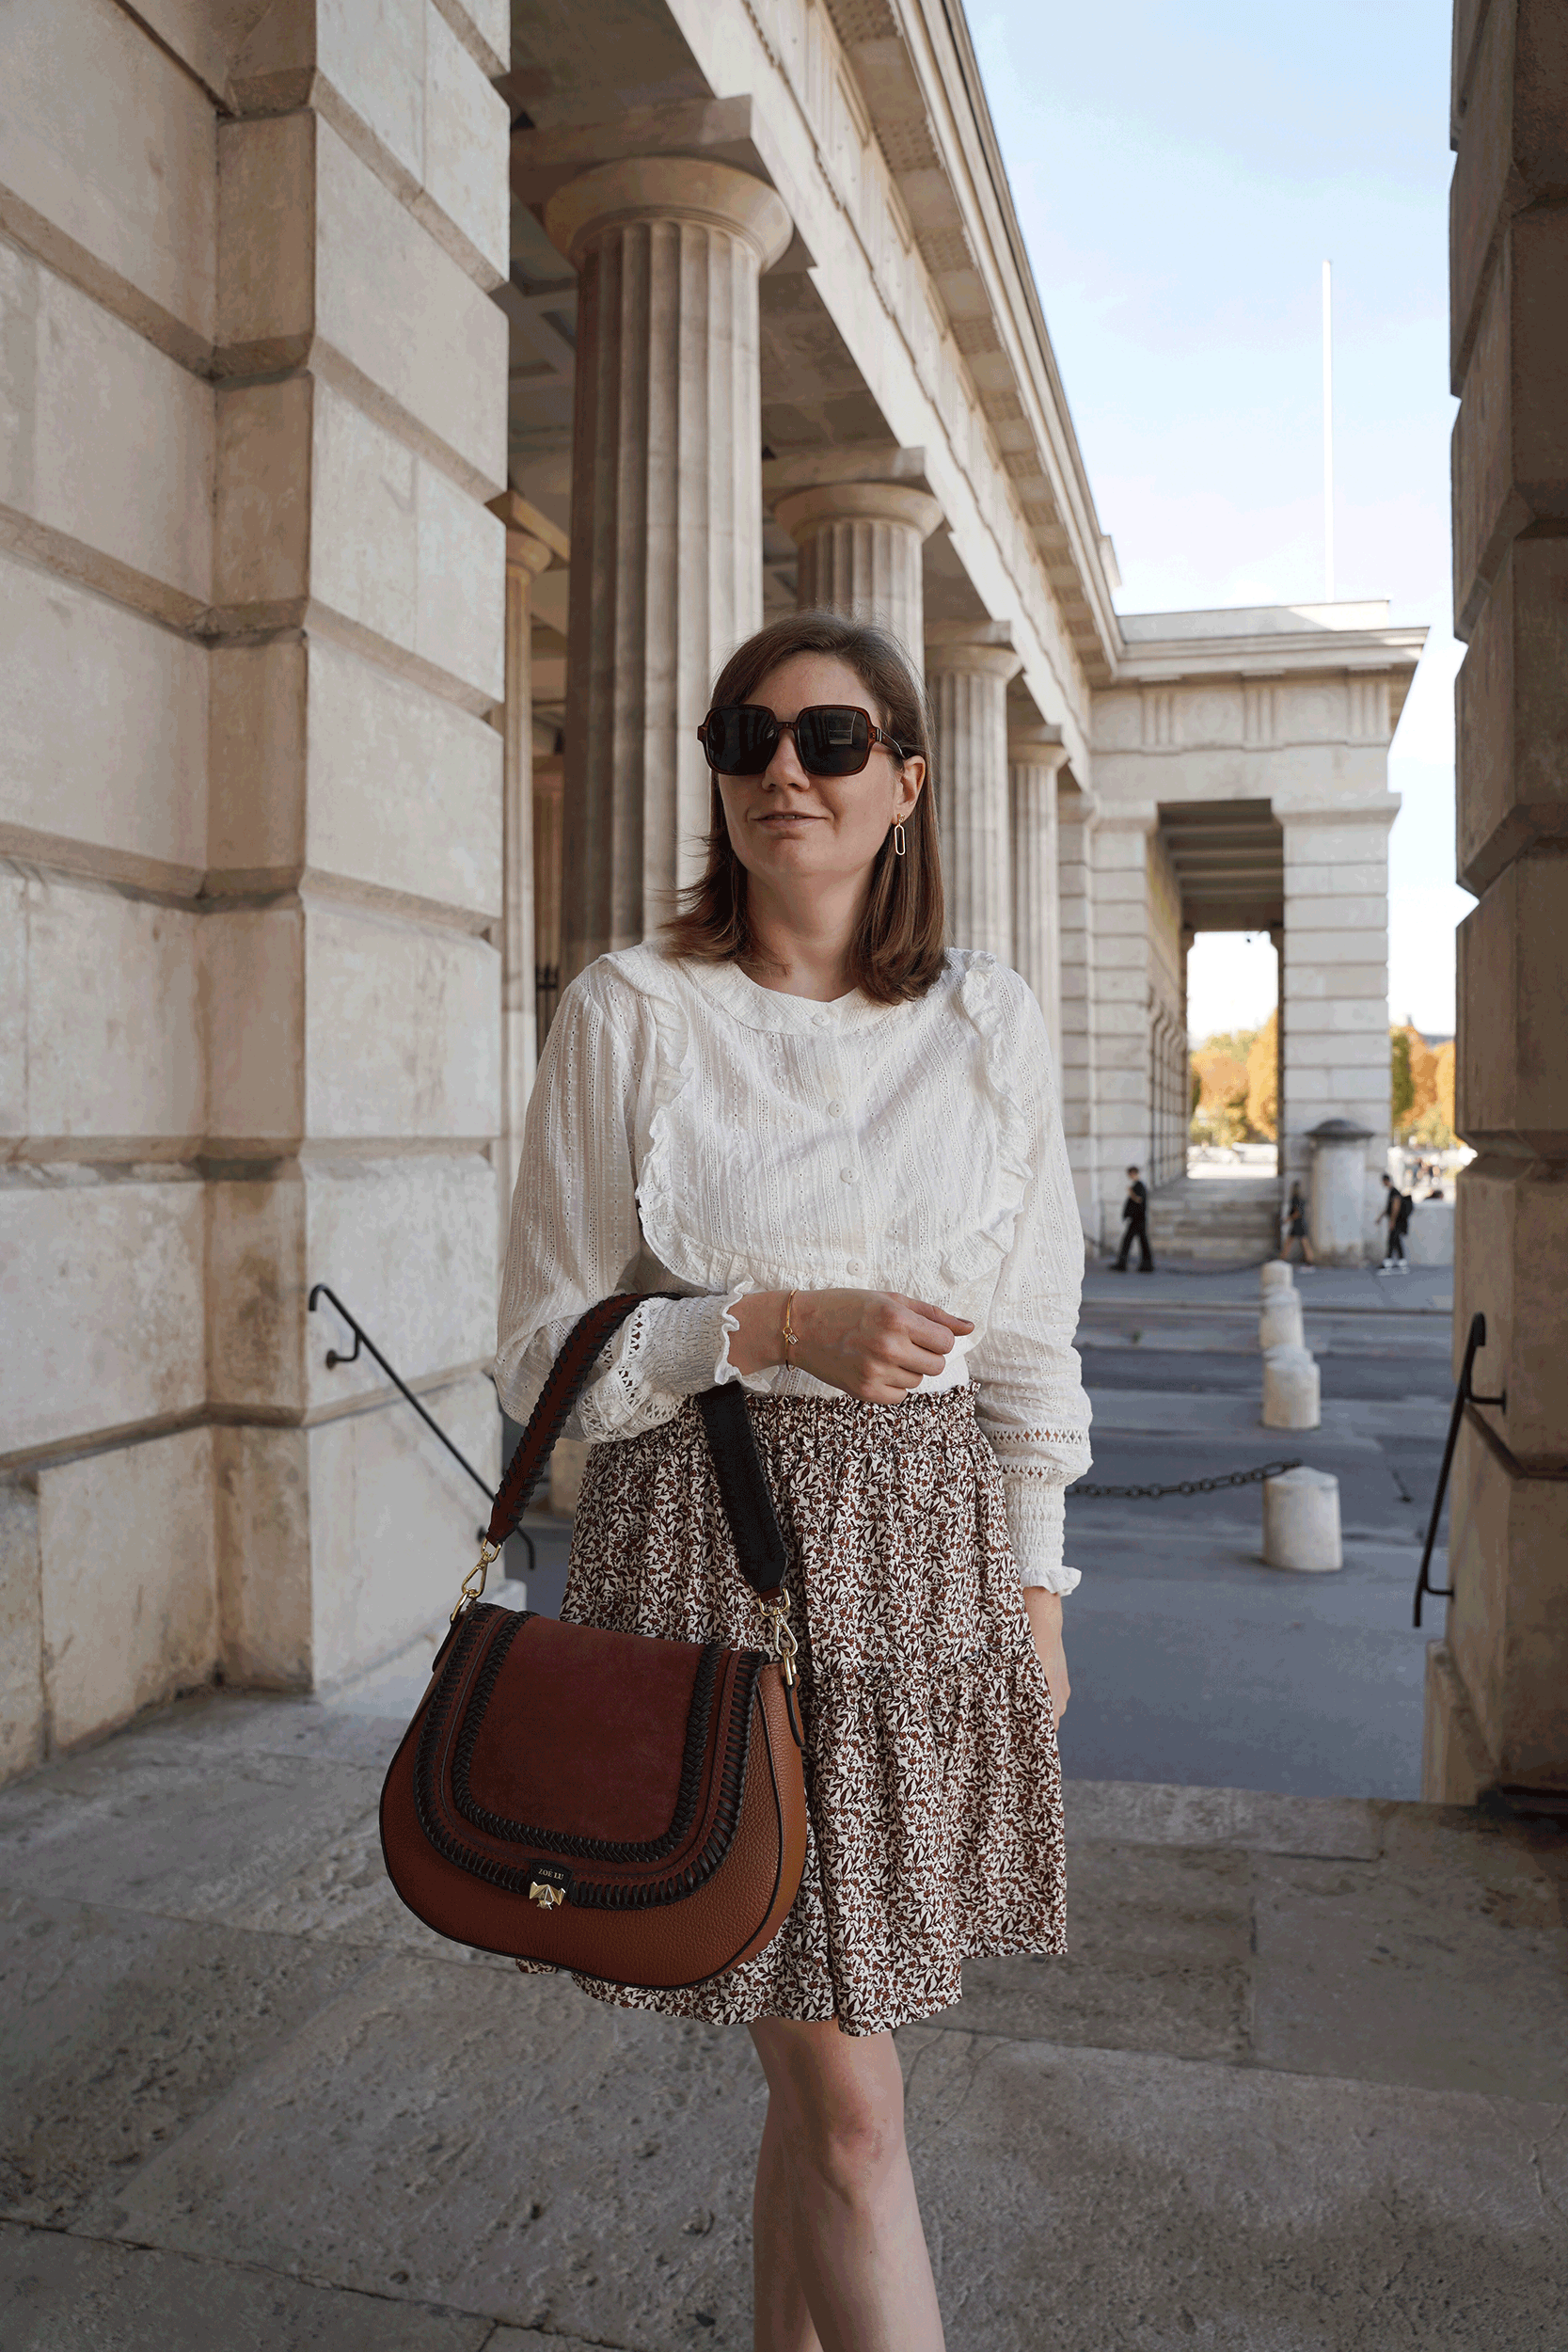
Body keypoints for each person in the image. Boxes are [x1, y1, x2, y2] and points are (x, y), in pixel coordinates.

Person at [495, 611, 1091, 2352]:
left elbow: (1034, 1332)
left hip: (923, 1573)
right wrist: (760, 1324)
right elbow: (538, 1356)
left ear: (904, 783)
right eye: (745, 738)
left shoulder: (989, 1023)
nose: (781, 771)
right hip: (710, 1559)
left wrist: (1039, 1587)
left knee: (817, 2066)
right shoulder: (630, 1010)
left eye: (829, 742)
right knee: (852, 2108)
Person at [1113, 1164, 1154, 1271]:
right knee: (1140, 1241)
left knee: (1129, 1241)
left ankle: (1124, 1264)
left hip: (1138, 1219)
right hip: (1137, 1219)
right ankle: (1146, 1265)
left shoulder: (1139, 1185)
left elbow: (1139, 1200)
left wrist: (1131, 1193)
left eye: (1130, 1174)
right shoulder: (1137, 1185)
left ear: (1133, 1174)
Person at [1378, 1171, 1412, 1272]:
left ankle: (1388, 1261)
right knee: (1396, 1241)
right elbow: (1388, 1207)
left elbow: (1395, 1207)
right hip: (1396, 1221)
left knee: (1392, 1241)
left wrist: (1392, 1221)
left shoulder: (1394, 1192)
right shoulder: (1392, 1191)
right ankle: (1401, 1262)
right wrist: (1380, 1217)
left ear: (1386, 1181)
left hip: (1397, 1221)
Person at [1282, 1181, 1315, 1266]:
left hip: (1298, 1224)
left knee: (1299, 1242)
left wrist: (1287, 1219)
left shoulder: (1295, 1199)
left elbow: (1297, 1213)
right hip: (1300, 1223)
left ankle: (1283, 1259)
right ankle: (1309, 1259)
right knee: (1300, 1242)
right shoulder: (1301, 1199)